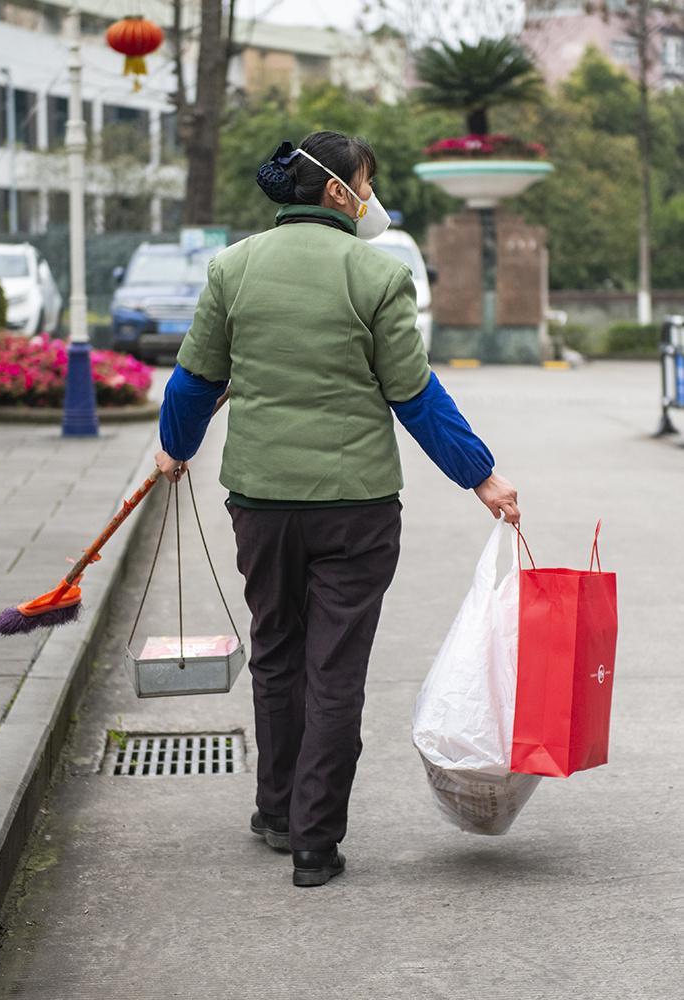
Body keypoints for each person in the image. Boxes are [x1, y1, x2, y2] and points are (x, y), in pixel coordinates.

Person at [156, 130, 520, 888]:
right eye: (366, 181)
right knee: (334, 669)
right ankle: (314, 843)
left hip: (259, 503)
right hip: (355, 510)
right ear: (334, 192)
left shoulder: (232, 268)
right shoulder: (377, 275)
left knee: (277, 655)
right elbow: (415, 396)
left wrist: (175, 446)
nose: (370, 197)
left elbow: (194, 382)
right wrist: (479, 476)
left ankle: (276, 812)